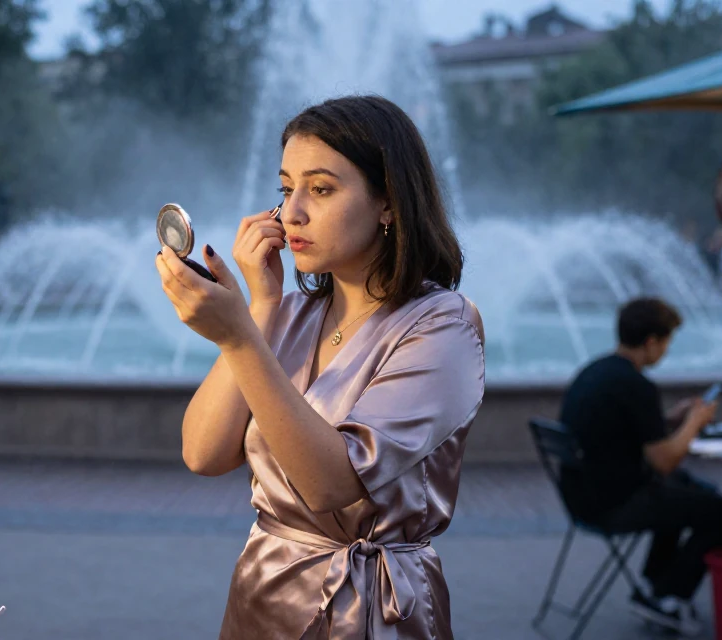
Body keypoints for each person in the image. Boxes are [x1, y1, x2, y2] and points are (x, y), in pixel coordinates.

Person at [156, 95, 485, 639]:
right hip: (263, 594)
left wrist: (238, 338)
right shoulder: (287, 314)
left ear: (389, 204)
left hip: (376, 610)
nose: (292, 213)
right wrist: (259, 309)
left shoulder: (443, 326)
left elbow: (333, 483)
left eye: (322, 189)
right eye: (286, 190)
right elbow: (203, 454)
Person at [559, 298, 722, 636]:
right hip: (614, 505)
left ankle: (654, 585)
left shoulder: (595, 371)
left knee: (686, 490)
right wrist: (694, 422)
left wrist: (671, 420)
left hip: (581, 496)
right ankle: (670, 596)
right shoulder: (637, 385)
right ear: (651, 342)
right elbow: (664, 462)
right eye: (666, 342)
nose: (666, 351)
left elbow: (622, 430)